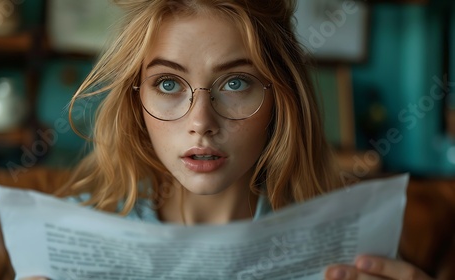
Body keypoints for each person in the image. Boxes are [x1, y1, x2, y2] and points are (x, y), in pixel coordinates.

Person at [24, 0, 433, 279]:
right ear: (136, 101)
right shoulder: (67, 239)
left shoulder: (353, 248)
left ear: (281, 98)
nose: (201, 122)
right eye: (168, 83)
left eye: (236, 82)